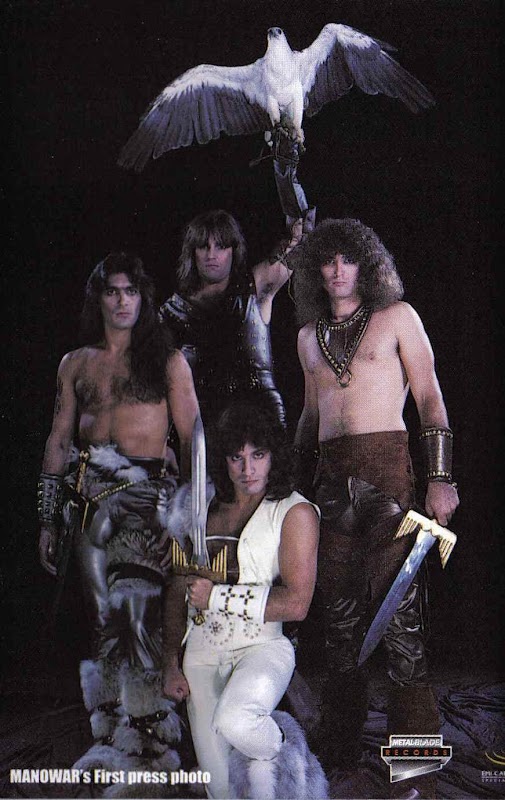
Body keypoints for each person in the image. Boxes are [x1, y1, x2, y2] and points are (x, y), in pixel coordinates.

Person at [290, 218, 460, 799]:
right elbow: (311, 419)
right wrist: (291, 492)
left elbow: (430, 397)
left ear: (366, 265)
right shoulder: (308, 337)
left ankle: (415, 768)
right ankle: (341, 757)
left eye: (349, 259)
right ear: (316, 270)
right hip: (329, 487)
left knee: (402, 626)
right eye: (328, 260)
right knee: (340, 628)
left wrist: (441, 479)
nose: (338, 270)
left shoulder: (398, 317)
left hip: (389, 477)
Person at [37, 252, 199, 775]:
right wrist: (47, 517)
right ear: (99, 298)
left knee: (136, 619)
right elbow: (59, 439)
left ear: (143, 297)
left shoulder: (166, 361)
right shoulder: (75, 364)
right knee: (104, 620)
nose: (122, 301)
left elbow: (193, 436)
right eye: (112, 291)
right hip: (86, 501)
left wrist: (191, 515)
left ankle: (150, 749)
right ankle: (111, 734)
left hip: (145, 497)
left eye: (131, 291)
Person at [161, 402, 327, 800]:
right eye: (237, 457)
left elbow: (297, 603)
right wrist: (169, 661)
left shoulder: (294, 511)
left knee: (237, 721)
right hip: (200, 655)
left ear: (274, 456)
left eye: (258, 455)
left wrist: (216, 596)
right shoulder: (202, 510)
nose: (247, 469)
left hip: (262, 647)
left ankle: (287, 752)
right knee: (221, 789)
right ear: (224, 460)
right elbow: (178, 589)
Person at [159, 207, 314, 430]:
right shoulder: (172, 311)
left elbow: (299, 246)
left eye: (221, 246)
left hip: (260, 423)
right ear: (193, 252)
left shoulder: (256, 287)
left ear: (234, 250)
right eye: (204, 246)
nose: (211, 255)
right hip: (204, 427)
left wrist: (295, 212)